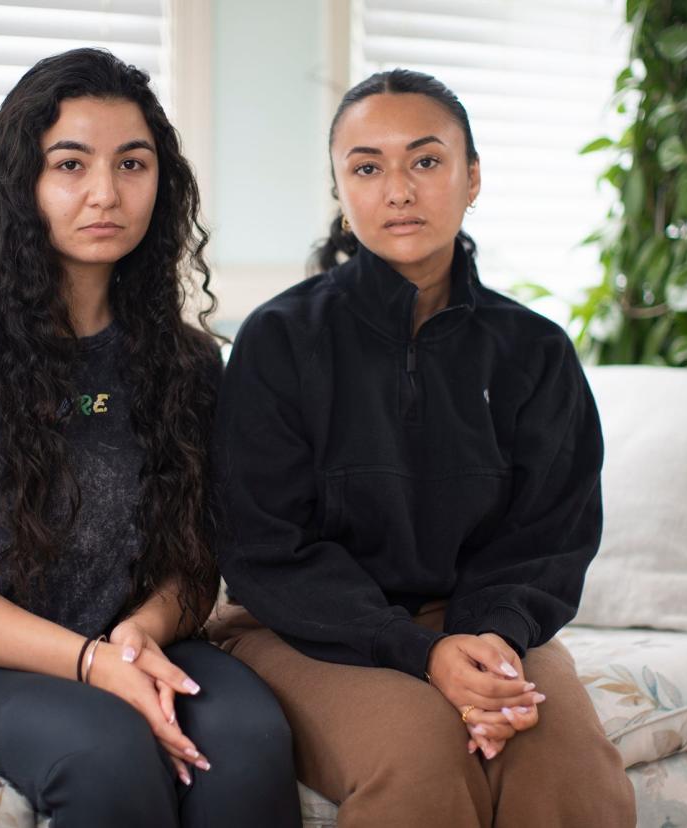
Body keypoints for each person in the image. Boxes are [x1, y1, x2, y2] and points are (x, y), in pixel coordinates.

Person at [0, 48, 301, 828]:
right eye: (70, 164)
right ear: (26, 183)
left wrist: (136, 639)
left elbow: (195, 559)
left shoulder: (186, 360)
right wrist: (90, 666)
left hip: (123, 650)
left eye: (132, 164)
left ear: (163, 183)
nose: (105, 193)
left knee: (248, 737)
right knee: (103, 743)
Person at [209, 68, 636, 827]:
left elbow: (549, 537)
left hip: (478, 622)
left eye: (427, 160)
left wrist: (493, 644)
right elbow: (265, 546)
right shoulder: (279, 341)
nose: (398, 189)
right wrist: (414, 651)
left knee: (567, 768)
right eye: (367, 167)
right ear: (340, 191)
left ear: (472, 179)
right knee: (420, 755)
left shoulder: (534, 352)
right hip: (303, 630)